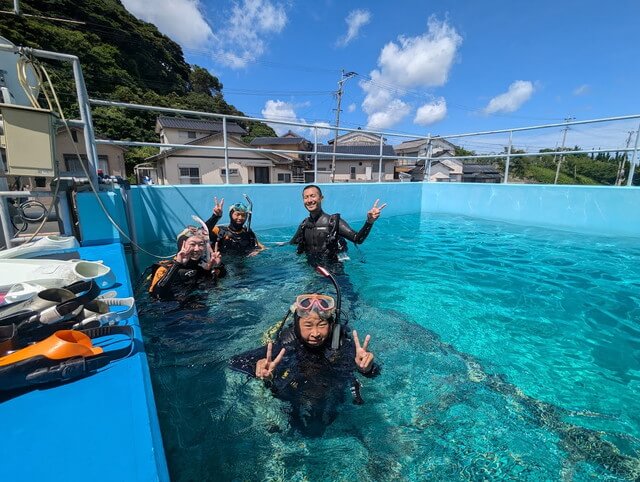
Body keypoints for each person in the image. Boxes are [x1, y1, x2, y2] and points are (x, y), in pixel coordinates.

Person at [229, 293, 378, 436]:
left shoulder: (342, 345)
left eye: (321, 325)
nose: (315, 333)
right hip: (295, 391)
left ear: (332, 325)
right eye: (308, 325)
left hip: (329, 391)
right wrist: (258, 368)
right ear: (297, 325)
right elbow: (235, 362)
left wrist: (367, 368)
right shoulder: (286, 346)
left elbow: (373, 372)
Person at [290, 185, 386, 263]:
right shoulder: (304, 225)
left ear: (321, 198)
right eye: (306, 197)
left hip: (333, 270)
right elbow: (292, 244)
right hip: (310, 270)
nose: (309, 200)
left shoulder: (333, 223)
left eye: (312, 196)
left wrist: (369, 222)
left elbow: (357, 239)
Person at [148, 226, 226, 300]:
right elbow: (157, 295)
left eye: (201, 244)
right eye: (192, 244)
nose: (197, 249)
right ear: (182, 246)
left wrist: (218, 265)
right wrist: (177, 265)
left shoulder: (205, 265)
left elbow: (222, 280)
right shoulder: (164, 269)